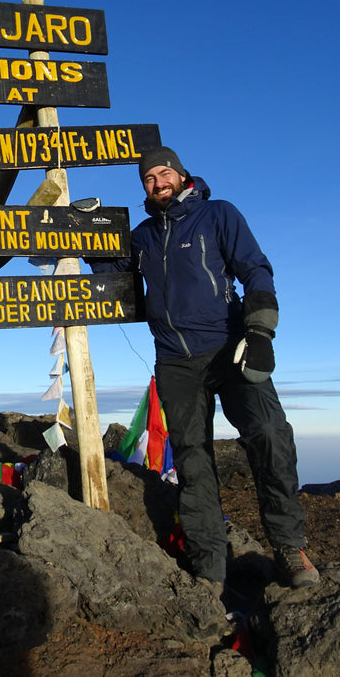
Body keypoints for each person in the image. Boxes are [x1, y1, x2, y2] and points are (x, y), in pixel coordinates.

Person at [91, 146, 319, 589]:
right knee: (192, 461)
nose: (157, 183)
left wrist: (260, 332)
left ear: (180, 174)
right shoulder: (143, 236)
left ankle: (290, 547)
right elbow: (112, 268)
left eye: (163, 173)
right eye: (148, 179)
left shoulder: (218, 214)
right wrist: (86, 230)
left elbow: (255, 269)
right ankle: (210, 566)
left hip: (230, 347)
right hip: (175, 360)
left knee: (269, 435)